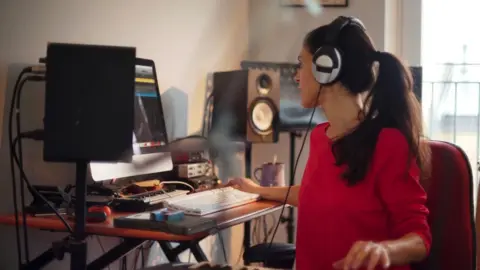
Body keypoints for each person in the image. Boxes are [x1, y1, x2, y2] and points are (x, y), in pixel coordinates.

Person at [228, 16, 431, 270]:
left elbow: (419, 240)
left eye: (302, 64)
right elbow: (315, 195)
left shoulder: (388, 143)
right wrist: (257, 189)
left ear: (327, 68)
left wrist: (384, 249)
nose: (297, 75)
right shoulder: (320, 136)